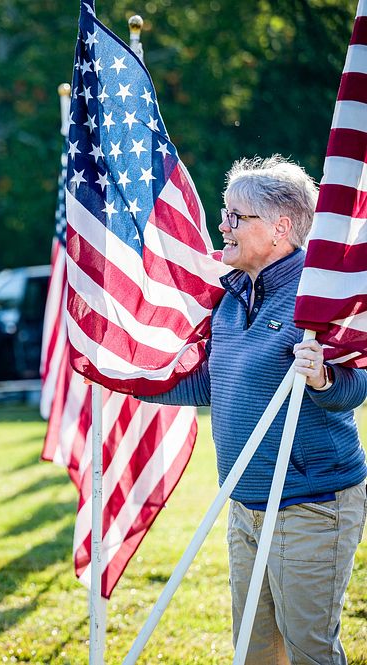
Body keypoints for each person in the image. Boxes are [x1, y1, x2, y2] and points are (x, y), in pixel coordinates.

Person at [142, 155, 367, 664]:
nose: (222, 226)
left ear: (280, 227)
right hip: (245, 503)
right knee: (253, 649)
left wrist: (323, 377)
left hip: (313, 502)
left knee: (309, 647)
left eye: (236, 217)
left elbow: (355, 384)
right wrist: (133, 381)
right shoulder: (232, 295)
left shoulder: (319, 294)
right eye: (225, 214)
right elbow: (215, 380)